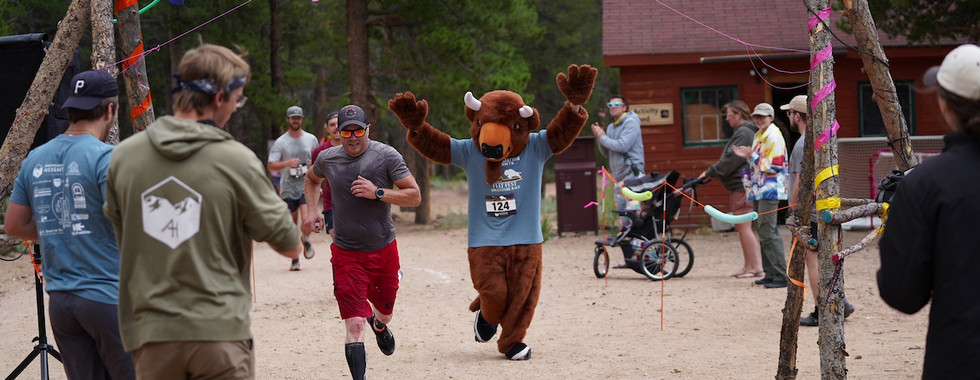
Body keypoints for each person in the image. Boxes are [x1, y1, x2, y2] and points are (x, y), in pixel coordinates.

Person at [102, 43, 302, 379]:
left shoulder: (124, 157)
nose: (237, 108)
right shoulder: (235, 159)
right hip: (218, 333)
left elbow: (123, 238)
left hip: (150, 336)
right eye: (238, 98)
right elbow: (290, 244)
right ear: (219, 97)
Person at [5, 69, 135, 380]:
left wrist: (63, 227)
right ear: (111, 109)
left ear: (71, 109)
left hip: (62, 302)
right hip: (108, 297)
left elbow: (14, 225)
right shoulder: (107, 158)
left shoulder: (35, 158)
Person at [878, 43, 980, 378]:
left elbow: (903, 293)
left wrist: (900, 221)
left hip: (962, 357)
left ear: (945, 104)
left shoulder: (927, 184)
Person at [303, 104, 421, 380]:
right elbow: (311, 180)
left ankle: (379, 326)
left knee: (385, 314)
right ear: (339, 133)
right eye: (347, 132)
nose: (353, 137)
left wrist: (378, 192)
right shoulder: (328, 158)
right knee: (355, 325)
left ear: (368, 129)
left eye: (358, 131)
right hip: (345, 253)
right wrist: (312, 210)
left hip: (382, 249)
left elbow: (414, 196)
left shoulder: (386, 156)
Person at [782, 95, 855, 325]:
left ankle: (820, 310)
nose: (789, 117)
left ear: (797, 116)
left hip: (811, 213)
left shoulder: (801, 145)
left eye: (790, 113)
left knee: (812, 261)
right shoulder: (823, 140)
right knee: (829, 259)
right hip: (827, 209)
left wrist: (793, 212)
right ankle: (840, 302)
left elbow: (798, 182)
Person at [698, 100, 763, 278]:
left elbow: (730, 160)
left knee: (744, 227)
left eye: (728, 115)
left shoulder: (743, 133)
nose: (726, 119)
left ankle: (756, 267)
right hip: (741, 185)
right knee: (742, 226)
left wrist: (711, 171)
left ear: (738, 115)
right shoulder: (744, 132)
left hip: (743, 185)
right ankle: (748, 265)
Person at [732, 103, 789, 288]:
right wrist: (748, 156)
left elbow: (776, 165)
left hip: (769, 190)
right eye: (757, 116)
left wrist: (752, 156)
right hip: (760, 189)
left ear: (771, 117)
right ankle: (770, 273)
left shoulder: (773, 136)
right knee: (763, 229)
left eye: (763, 116)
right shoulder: (760, 135)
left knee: (768, 231)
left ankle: (780, 275)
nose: (759, 119)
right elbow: (760, 162)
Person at [590, 95, 645, 266]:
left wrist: (602, 137)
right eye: (610, 104)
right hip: (618, 178)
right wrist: (601, 138)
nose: (613, 107)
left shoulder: (631, 122)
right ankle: (630, 258)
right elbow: (608, 152)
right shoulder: (612, 127)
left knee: (634, 215)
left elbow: (622, 145)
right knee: (624, 218)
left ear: (624, 107)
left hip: (632, 175)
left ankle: (643, 254)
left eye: (616, 104)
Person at [268, 105, 320, 271]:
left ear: (302, 119)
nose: (295, 120)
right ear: (288, 120)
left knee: (307, 220)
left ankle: (305, 238)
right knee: (292, 223)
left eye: (298, 118)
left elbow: (319, 161)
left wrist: (314, 167)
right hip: (288, 187)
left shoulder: (311, 139)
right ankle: (295, 258)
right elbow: (271, 165)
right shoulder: (281, 142)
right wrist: (287, 163)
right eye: (293, 118)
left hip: (306, 185)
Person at [311, 111, 341, 236]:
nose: (336, 127)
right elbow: (313, 179)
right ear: (327, 129)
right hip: (330, 203)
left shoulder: (355, 147)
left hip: (354, 203)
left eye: (339, 124)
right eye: (332, 125)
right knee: (337, 239)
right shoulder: (320, 151)